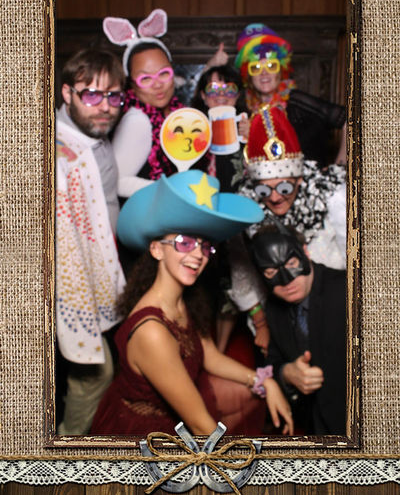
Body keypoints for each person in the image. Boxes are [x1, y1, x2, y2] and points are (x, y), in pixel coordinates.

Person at [91, 170, 294, 436]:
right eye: (184, 243)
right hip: (148, 434)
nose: (198, 255)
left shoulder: (180, 300)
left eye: (204, 245)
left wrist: (264, 381)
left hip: (180, 413)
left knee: (247, 396)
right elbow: (201, 426)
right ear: (156, 249)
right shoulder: (152, 331)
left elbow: (208, 355)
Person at [228, 104, 346, 354]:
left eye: (284, 188)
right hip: (279, 316)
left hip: (334, 308)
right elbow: (242, 275)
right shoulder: (244, 211)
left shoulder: (332, 197)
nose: (274, 197)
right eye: (264, 189)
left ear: (300, 179)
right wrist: (261, 324)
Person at [56, 48, 126, 434]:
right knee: (95, 376)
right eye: (92, 94)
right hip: (74, 289)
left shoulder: (93, 133)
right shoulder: (59, 155)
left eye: (113, 96)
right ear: (67, 93)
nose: (105, 107)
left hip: (106, 273)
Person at [103, 10, 224, 197]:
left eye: (164, 74)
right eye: (145, 78)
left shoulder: (175, 112)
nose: (157, 84)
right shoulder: (137, 121)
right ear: (132, 84)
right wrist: (173, 190)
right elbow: (118, 182)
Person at [249, 225, 346, 435]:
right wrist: (287, 373)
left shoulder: (348, 292)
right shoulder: (274, 308)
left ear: (305, 253)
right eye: (271, 272)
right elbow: (273, 360)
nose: (287, 281)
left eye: (291, 264)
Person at [235, 23, 347, 166]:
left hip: (308, 178)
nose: (264, 73)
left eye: (271, 66)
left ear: (281, 70)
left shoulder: (297, 101)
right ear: (249, 76)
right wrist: (252, 137)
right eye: (255, 67)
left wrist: (338, 170)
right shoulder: (247, 110)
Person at [191, 64, 249, 192]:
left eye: (229, 89)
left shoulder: (248, 126)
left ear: (238, 95)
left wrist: (254, 140)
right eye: (213, 89)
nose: (221, 94)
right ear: (203, 96)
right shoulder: (191, 128)